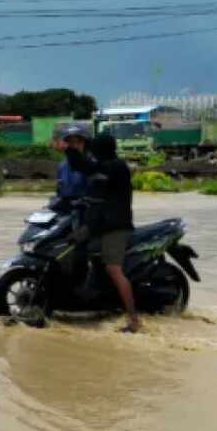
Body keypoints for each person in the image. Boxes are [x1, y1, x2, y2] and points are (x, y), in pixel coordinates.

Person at [66, 132, 140, 333]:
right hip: (100, 223)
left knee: (113, 269)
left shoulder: (115, 167)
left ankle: (134, 321)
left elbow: (89, 167)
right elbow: (85, 172)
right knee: (78, 249)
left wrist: (71, 150)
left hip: (115, 226)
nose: (92, 152)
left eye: (94, 148)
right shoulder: (105, 166)